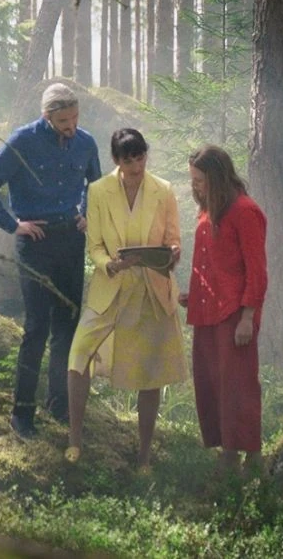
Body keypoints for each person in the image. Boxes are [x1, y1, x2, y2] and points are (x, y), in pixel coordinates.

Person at [0, 83, 102, 439]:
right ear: (47, 117)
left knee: (67, 327)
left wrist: (88, 214)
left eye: (75, 118)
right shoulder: (24, 141)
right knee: (36, 328)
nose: (71, 126)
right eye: (63, 120)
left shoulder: (86, 142)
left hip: (71, 241)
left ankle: (59, 407)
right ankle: (22, 415)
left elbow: (97, 184)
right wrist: (13, 224)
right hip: (35, 242)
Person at [64, 129, 188, 470]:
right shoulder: (99, 191)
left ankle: (144, 456)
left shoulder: (163, 191)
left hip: (151, 288)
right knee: (78, 354)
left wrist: (172, 254)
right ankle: (75, 440)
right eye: (129, 159)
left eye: (141, 157)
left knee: (150, 372)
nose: (136, 166)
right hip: (111, 287)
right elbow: (95, 246)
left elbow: (173, 240)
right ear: (117, 161)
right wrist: (111, 265)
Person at [179, 144, 268, 477]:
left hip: (234, 315)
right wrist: (196, 293)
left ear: (217, 177)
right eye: (193, 180)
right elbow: (213, 263)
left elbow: (256, 270)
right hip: (207, 312)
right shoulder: (208, 210)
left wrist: (247, 317)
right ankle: (227, 451)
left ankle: (251, 456)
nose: (195, 186)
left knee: (238, 384)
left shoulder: (245, 211)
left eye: (200, 180)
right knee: (211, 382)